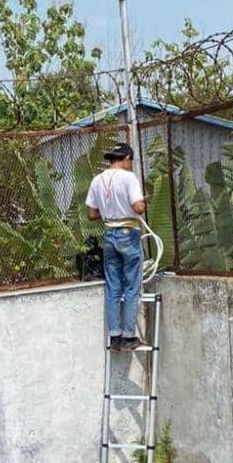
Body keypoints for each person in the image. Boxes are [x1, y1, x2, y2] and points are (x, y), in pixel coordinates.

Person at [85, 142, 146, 351]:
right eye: (131, 161)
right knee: (131, 286)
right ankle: (128, 336)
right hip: (128, 233)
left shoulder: (97, 180)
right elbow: (138, 207)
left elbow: (92, 214)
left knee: (113, 286)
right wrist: (141, 203)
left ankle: (115, 336)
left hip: (109, 234)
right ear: (126, 158)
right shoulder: (129, 178)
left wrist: (109, 209)